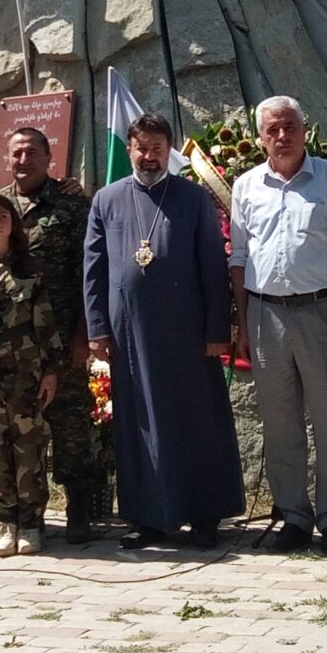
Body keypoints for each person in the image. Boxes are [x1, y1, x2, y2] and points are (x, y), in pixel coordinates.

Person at [84, 111, 242, 549]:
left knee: (197, 421)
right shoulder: (107, 199)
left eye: (157, 148)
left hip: (188, 334)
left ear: (168, 151)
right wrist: (96, 329)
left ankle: (205, 516)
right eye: (142, 148)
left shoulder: (192, 198)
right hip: (130, 336)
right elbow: (93, 269)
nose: (149, 156)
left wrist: (217, 329)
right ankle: (147, 517)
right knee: (139, 425)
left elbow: (213, 266)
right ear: (130, 150)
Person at [229, 96, 327, 556]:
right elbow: (239, 258)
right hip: (264, 314)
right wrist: (243, 321)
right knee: (279, 423)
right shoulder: (246, 185)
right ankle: (293, 516)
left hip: (322, 312)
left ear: (304, 129)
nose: (282, 135)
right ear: (260, 137)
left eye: (289, 126)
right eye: (272, 129)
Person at [0, 128, 99, 540]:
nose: (24, 160)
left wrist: (83, 334)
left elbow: (89, 274)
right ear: (7, 159)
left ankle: (79, 509)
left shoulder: (72, 205)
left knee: (71, 423)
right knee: (20, 426)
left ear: (48, 156)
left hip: (61, 335)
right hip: (14, 340)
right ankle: (25, 512)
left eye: (32, 152)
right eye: (17, 153)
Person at [0, 193, 66, 555]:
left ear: (12, 223)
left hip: (25, 370)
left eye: (2, 217)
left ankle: (31, 523)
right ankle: (4, 521)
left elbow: (46, 323)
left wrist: (51, 371)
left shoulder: (30, 269)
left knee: (29, 445)